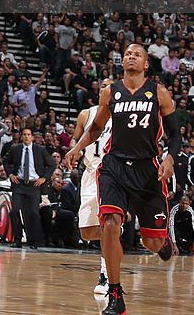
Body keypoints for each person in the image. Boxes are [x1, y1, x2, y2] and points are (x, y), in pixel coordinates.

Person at [65, 44, 178, 315]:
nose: (131, 56)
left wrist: (170, 159)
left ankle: (162, 242)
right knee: (110, 223)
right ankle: (115, 294)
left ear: (146, 64)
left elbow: (175, 136)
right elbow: (96, 128)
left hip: (147, 170)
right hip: (114, 166)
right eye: (128, 54)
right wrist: (78, 147)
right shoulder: (110, 92)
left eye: (137, 54)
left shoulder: (159, 93)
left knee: (150, 242)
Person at [71, 86, 113, 296]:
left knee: (108, 224)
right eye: (103, 89)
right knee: (86, 231)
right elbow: (75, 139)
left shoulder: (121, 116)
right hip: (89, 173)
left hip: (111, 174)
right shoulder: (86, 114)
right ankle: (112, 234)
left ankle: (105, 275)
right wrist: (73, 151)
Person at [3, 127, 55, 249]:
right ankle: (17, 240)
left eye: (28, 134)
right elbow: (5, 161)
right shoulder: (15, 149)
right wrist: (10, 174)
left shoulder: (40, 150)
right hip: (19, 184)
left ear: (32, 137)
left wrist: (44, 178)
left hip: (34, 185)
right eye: (24, 134)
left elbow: (52, 164)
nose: (26, 136)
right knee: (14, 211)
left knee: (34, 214)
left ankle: (33, 241)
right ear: (21, 137)